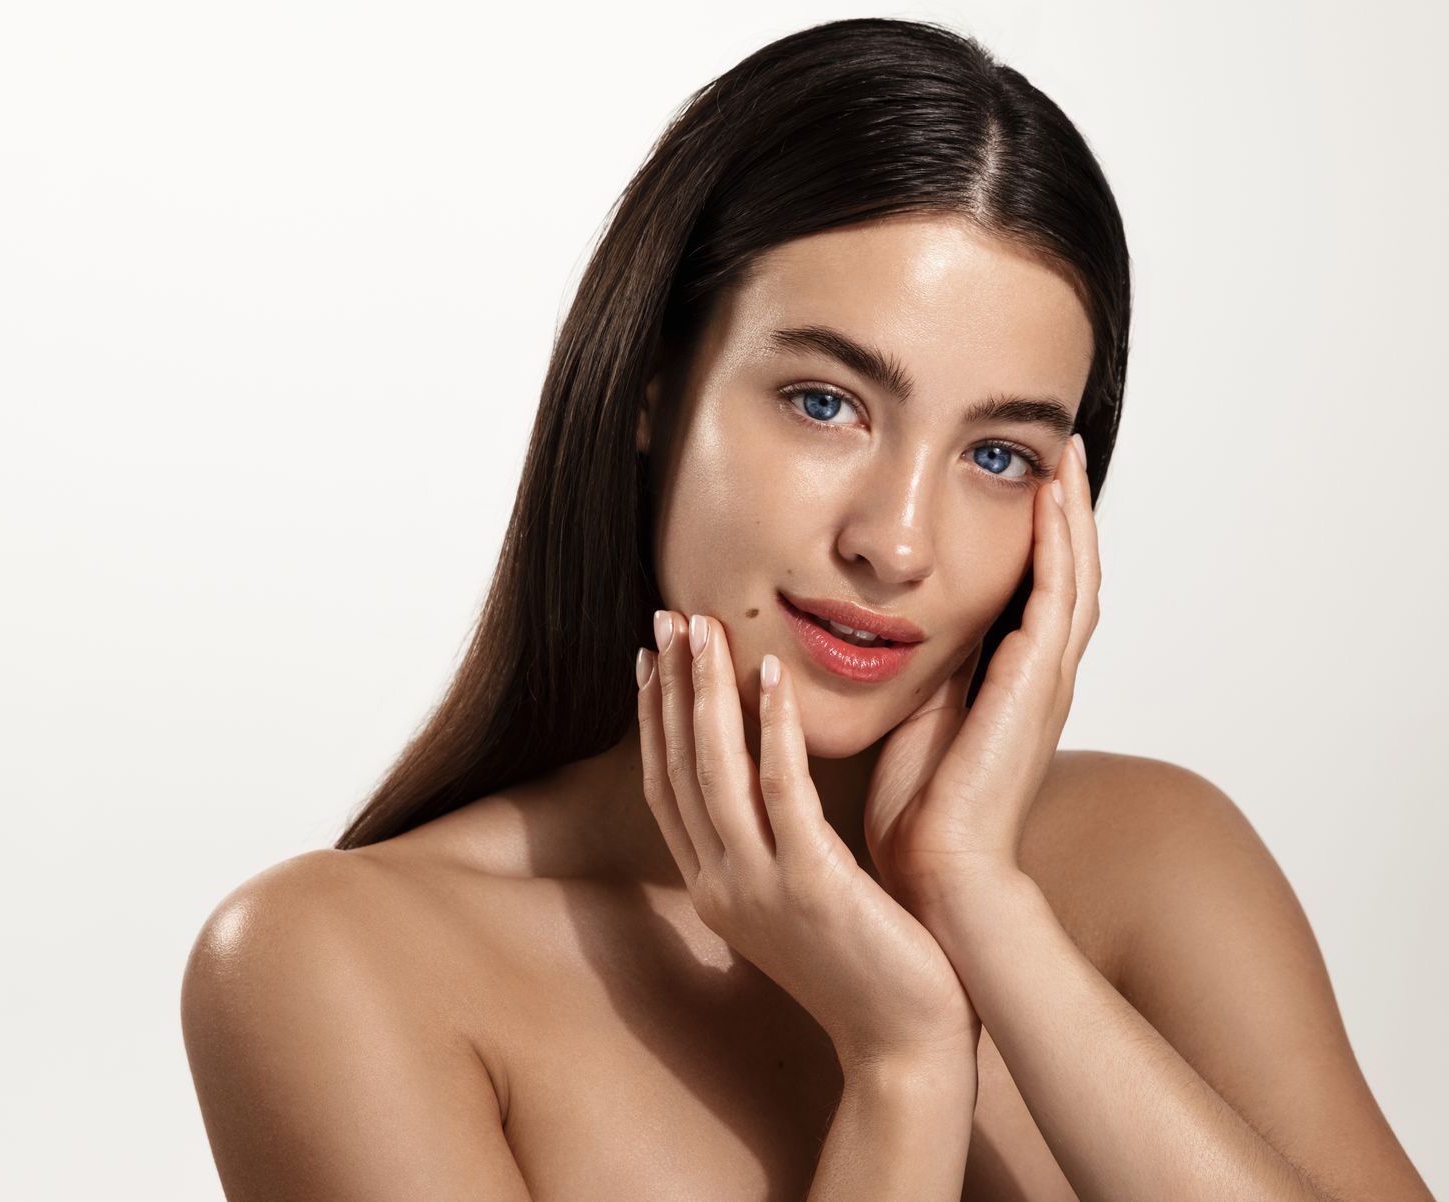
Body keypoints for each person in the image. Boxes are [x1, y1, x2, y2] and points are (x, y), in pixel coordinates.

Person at [181, 17, 1434, 1200]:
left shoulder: (1159, 864)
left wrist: (982, 904)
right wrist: (903, 1065)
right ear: (652, 386)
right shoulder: (335, 964)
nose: (894, 543)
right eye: (827, 402)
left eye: (998, 454)